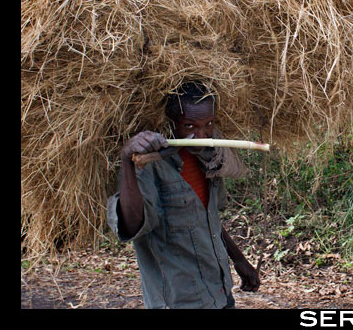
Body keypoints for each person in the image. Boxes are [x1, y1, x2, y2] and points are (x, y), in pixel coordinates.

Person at [107, 81, 260, 309]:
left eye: (208, 124)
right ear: (171, 122)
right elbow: (131, 226)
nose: (201, 134)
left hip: (219, 293)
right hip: (179, 300)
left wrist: (238, 260)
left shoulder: (209, 158)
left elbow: (209, 221)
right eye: (189, 126)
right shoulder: (147, 166)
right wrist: (127, 161)